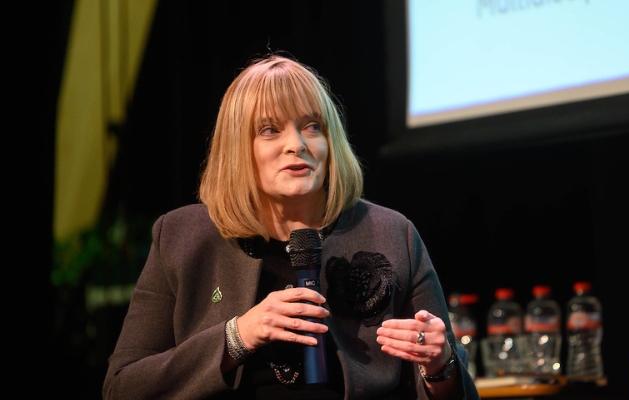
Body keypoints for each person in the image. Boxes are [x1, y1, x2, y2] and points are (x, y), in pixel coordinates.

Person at [102, 54, 480, 400]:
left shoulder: (391, 232)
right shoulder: (182, 237)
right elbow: (123, 387)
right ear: (239, 147)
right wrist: (238, 336)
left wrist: (440, 364)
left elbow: (457, 392)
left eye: (311, 126)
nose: (296, 144)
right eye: (270, 130)